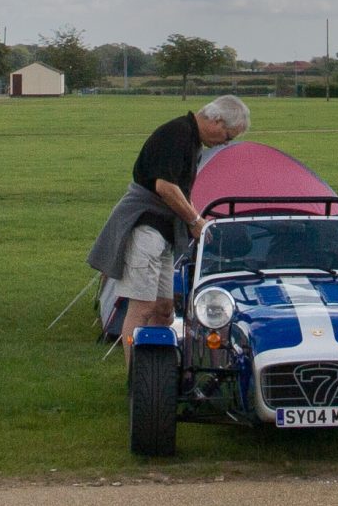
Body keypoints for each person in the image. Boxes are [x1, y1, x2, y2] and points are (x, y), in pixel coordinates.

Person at [86, 94, 250, 359]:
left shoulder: (192, 141)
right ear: (217, 120)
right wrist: (195, 222)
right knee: (142, 307)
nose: (226, 142)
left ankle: (158, 369)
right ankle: (138, 379)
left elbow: (181, 191)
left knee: (163, 308)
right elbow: (166, 187)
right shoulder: (177, 134)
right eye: (228, 135)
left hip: (165, 232)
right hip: (145, 228)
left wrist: (196, 218)